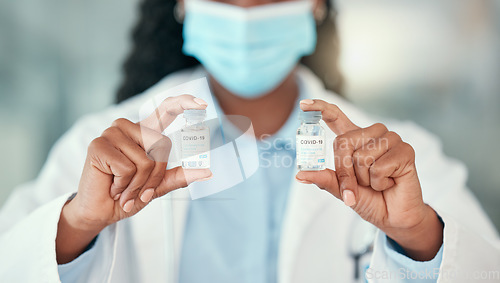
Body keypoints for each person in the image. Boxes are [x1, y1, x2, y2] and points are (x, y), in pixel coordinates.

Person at [0, 0, 499, 282]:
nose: (244, 10)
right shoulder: (100, 148)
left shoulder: (403, 159)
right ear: (180, 5)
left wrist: (417, 237)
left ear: (318, 6)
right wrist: (77, 224)